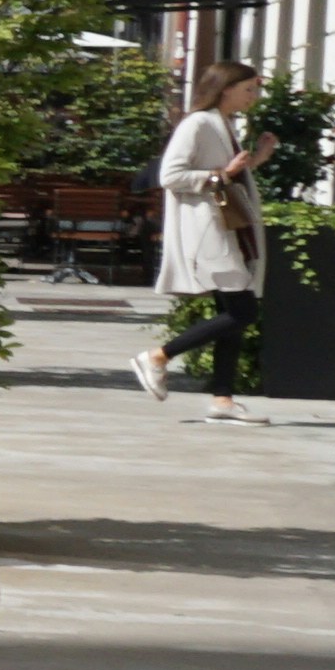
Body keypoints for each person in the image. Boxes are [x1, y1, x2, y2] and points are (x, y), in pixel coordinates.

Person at [142, 61, 267, 416]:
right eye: (247, 90)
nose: (252, 97)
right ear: (225, 88)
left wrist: (254, 161)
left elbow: (227, 174)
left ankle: (223, 398)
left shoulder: (222, 124)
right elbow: (171, 175)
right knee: (243, 312)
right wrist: (222, 173)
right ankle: (158, 356)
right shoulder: (198, 122)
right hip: (210, 231)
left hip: (227, 230)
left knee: (231, 312)